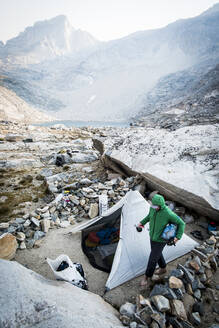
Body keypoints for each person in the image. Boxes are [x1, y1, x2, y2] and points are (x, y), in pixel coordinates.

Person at [137, 194, 185, 287]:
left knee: (152, 258)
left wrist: (177, 237)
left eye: (156, 206)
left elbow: (181, 223)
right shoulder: (152, 208)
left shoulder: (167, 213)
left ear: (161, 205)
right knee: (157, 254)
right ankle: (163, 268)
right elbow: (149, 217)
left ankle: (147, 277)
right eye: (153, 206)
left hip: (161, 239)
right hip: (152, 236)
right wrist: (141, 223)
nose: (154, 208)